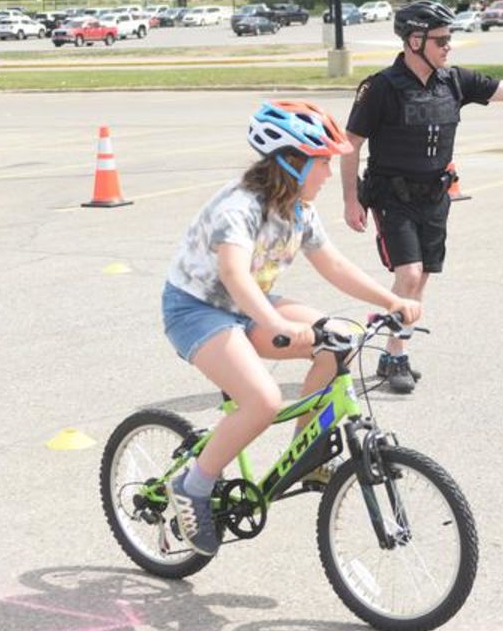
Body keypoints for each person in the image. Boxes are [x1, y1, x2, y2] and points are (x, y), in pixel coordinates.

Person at [161, 100, 422, 557]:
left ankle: (306, 451)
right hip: (198, 310)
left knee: (339, 337)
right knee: (262, 400)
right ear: (291, 162)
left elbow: (333, 264)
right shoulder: (240, 208)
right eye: (323, 164)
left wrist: (392, 300)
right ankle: (193, 486)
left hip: (253, 307)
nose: (328, 175)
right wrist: (277, 323)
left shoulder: (300, 208)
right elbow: (234, 274)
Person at [340, 0, 503, 394]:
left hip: (435, 195)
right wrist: (350, 198)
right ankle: (395, 355)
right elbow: (351, 143)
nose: (449, 46)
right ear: (414, 41)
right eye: (441, 39)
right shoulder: (381, 87)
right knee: (408, 275)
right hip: (391, 195)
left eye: (450, 39)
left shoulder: (454, 80)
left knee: (421, 278)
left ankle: (393, 347)